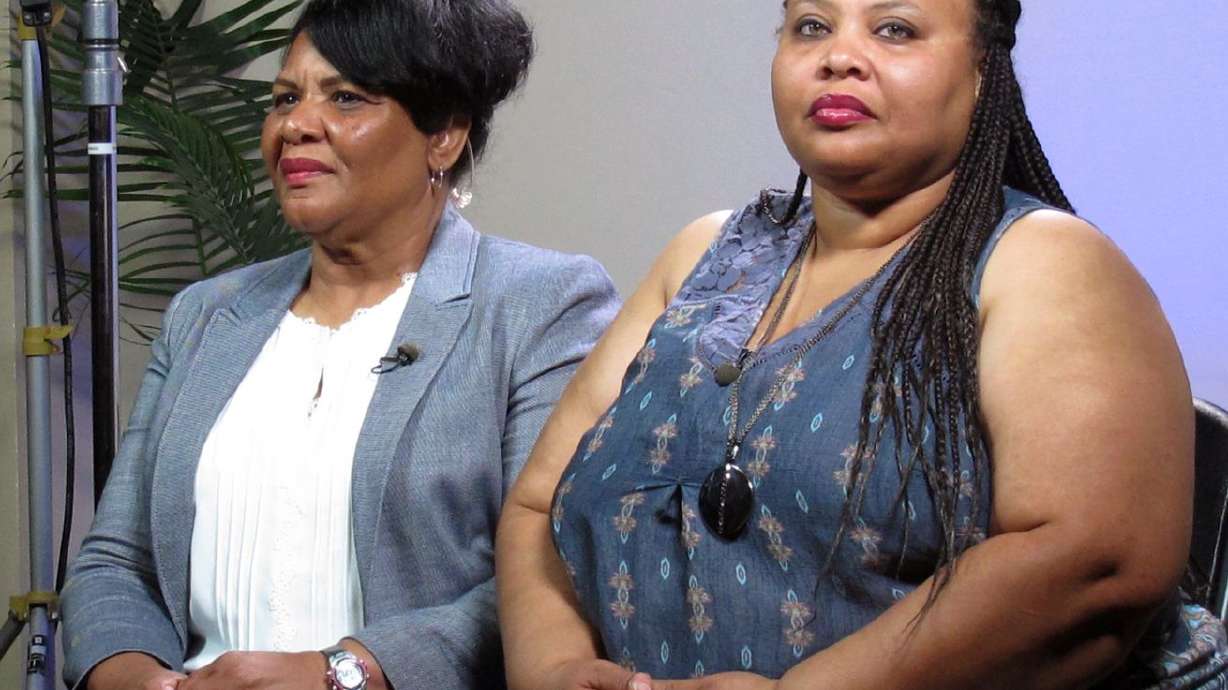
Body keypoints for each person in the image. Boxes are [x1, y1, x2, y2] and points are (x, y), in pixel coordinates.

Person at [496, 1, 1227, 688]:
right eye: (811, 25)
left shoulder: (1041, 262)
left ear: (983, 71)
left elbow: (1094, 564)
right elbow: (537, 508)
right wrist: (556, 669)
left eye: (895, 29)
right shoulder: (702, 256)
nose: (839, 57)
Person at [61, 1, 619, 688]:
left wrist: (343, 673)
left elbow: (546, 573)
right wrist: (144, 681)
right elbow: (115, 562)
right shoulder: (204, 316)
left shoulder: (541, 305)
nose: (295, 125)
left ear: (444, 134)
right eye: (285, 98)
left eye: (346, 97)